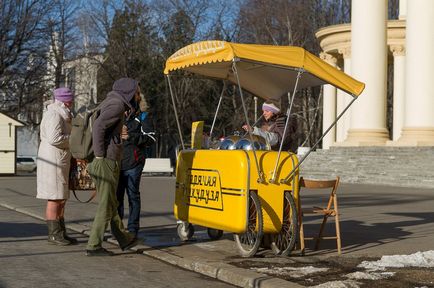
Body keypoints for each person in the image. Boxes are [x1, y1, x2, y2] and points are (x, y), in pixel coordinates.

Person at [86, 78, 142, 256]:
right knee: (105, 204)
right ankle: (94, 245)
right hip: (106, 161)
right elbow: (98, 127)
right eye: (135, 91)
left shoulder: (111, 101)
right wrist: (100, 155)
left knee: (111, 202)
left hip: (106, 160)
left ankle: (124, 239)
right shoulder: (117, 105)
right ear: (128, 91)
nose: (137, 95)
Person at [36, 87, 77, 245]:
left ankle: (60, 232)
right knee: (54, 197)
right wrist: (74, 139)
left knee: (61, 197)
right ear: (65, 100)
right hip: (53, 160)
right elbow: (55, 138)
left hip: (59, 159)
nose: (72, 101)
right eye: (70, 98)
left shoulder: (60, 112)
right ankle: (54, 234)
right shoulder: (54, 114)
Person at [116, 94, 156, 238]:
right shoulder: (116, 115)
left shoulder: (143, 116)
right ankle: (117, 228)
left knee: (133, 195)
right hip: (117, 162)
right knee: (117, 197)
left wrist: (131, 137)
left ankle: (133, 228)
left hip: (134, 162)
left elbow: (151, 138)